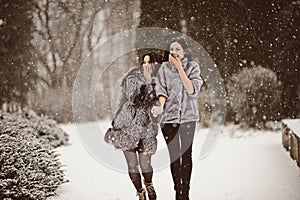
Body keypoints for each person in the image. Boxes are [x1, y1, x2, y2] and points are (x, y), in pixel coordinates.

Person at [151, 38, 203, 200]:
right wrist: (160, 106)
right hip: (168, 119)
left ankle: (185, 194)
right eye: (171, 49)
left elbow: (192, 90)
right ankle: (178, 191)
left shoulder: (193, 67)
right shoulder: (163, 69)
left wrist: (179, 68)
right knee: (175, 156)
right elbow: (161, 91)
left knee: (186, 155)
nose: (174, 52)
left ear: (184, 52)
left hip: (188, 119)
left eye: (178, 49)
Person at [105, 53, 159, 200]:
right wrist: (148, 83)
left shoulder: (161, 80)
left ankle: (148, 183)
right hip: (126, 125)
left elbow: (157, 102)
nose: (146, 65)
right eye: (144, 62)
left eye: (150, 62)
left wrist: (151, 85)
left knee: (145, 164)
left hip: (146, 127)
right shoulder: (132, 77)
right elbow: (134, 98)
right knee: (132, 164)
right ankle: (140, 191)